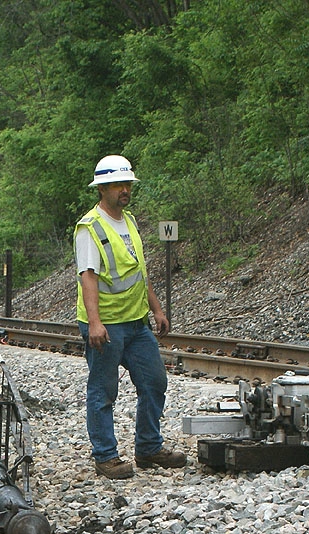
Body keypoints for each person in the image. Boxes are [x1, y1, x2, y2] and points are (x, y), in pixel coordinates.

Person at [74, 155, 187, 479]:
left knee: (154, 380)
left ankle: (149, 448)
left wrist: (157, 309)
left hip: (137, 323)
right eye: (119, 185)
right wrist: (95, 322)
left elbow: (139, 271)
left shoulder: (130, 221)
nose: (126, 190)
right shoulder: (90, 228)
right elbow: (89, 277)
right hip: (106, 326)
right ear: (103, 188)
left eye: (128, 184)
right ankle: (106, 456)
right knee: (103, 389)